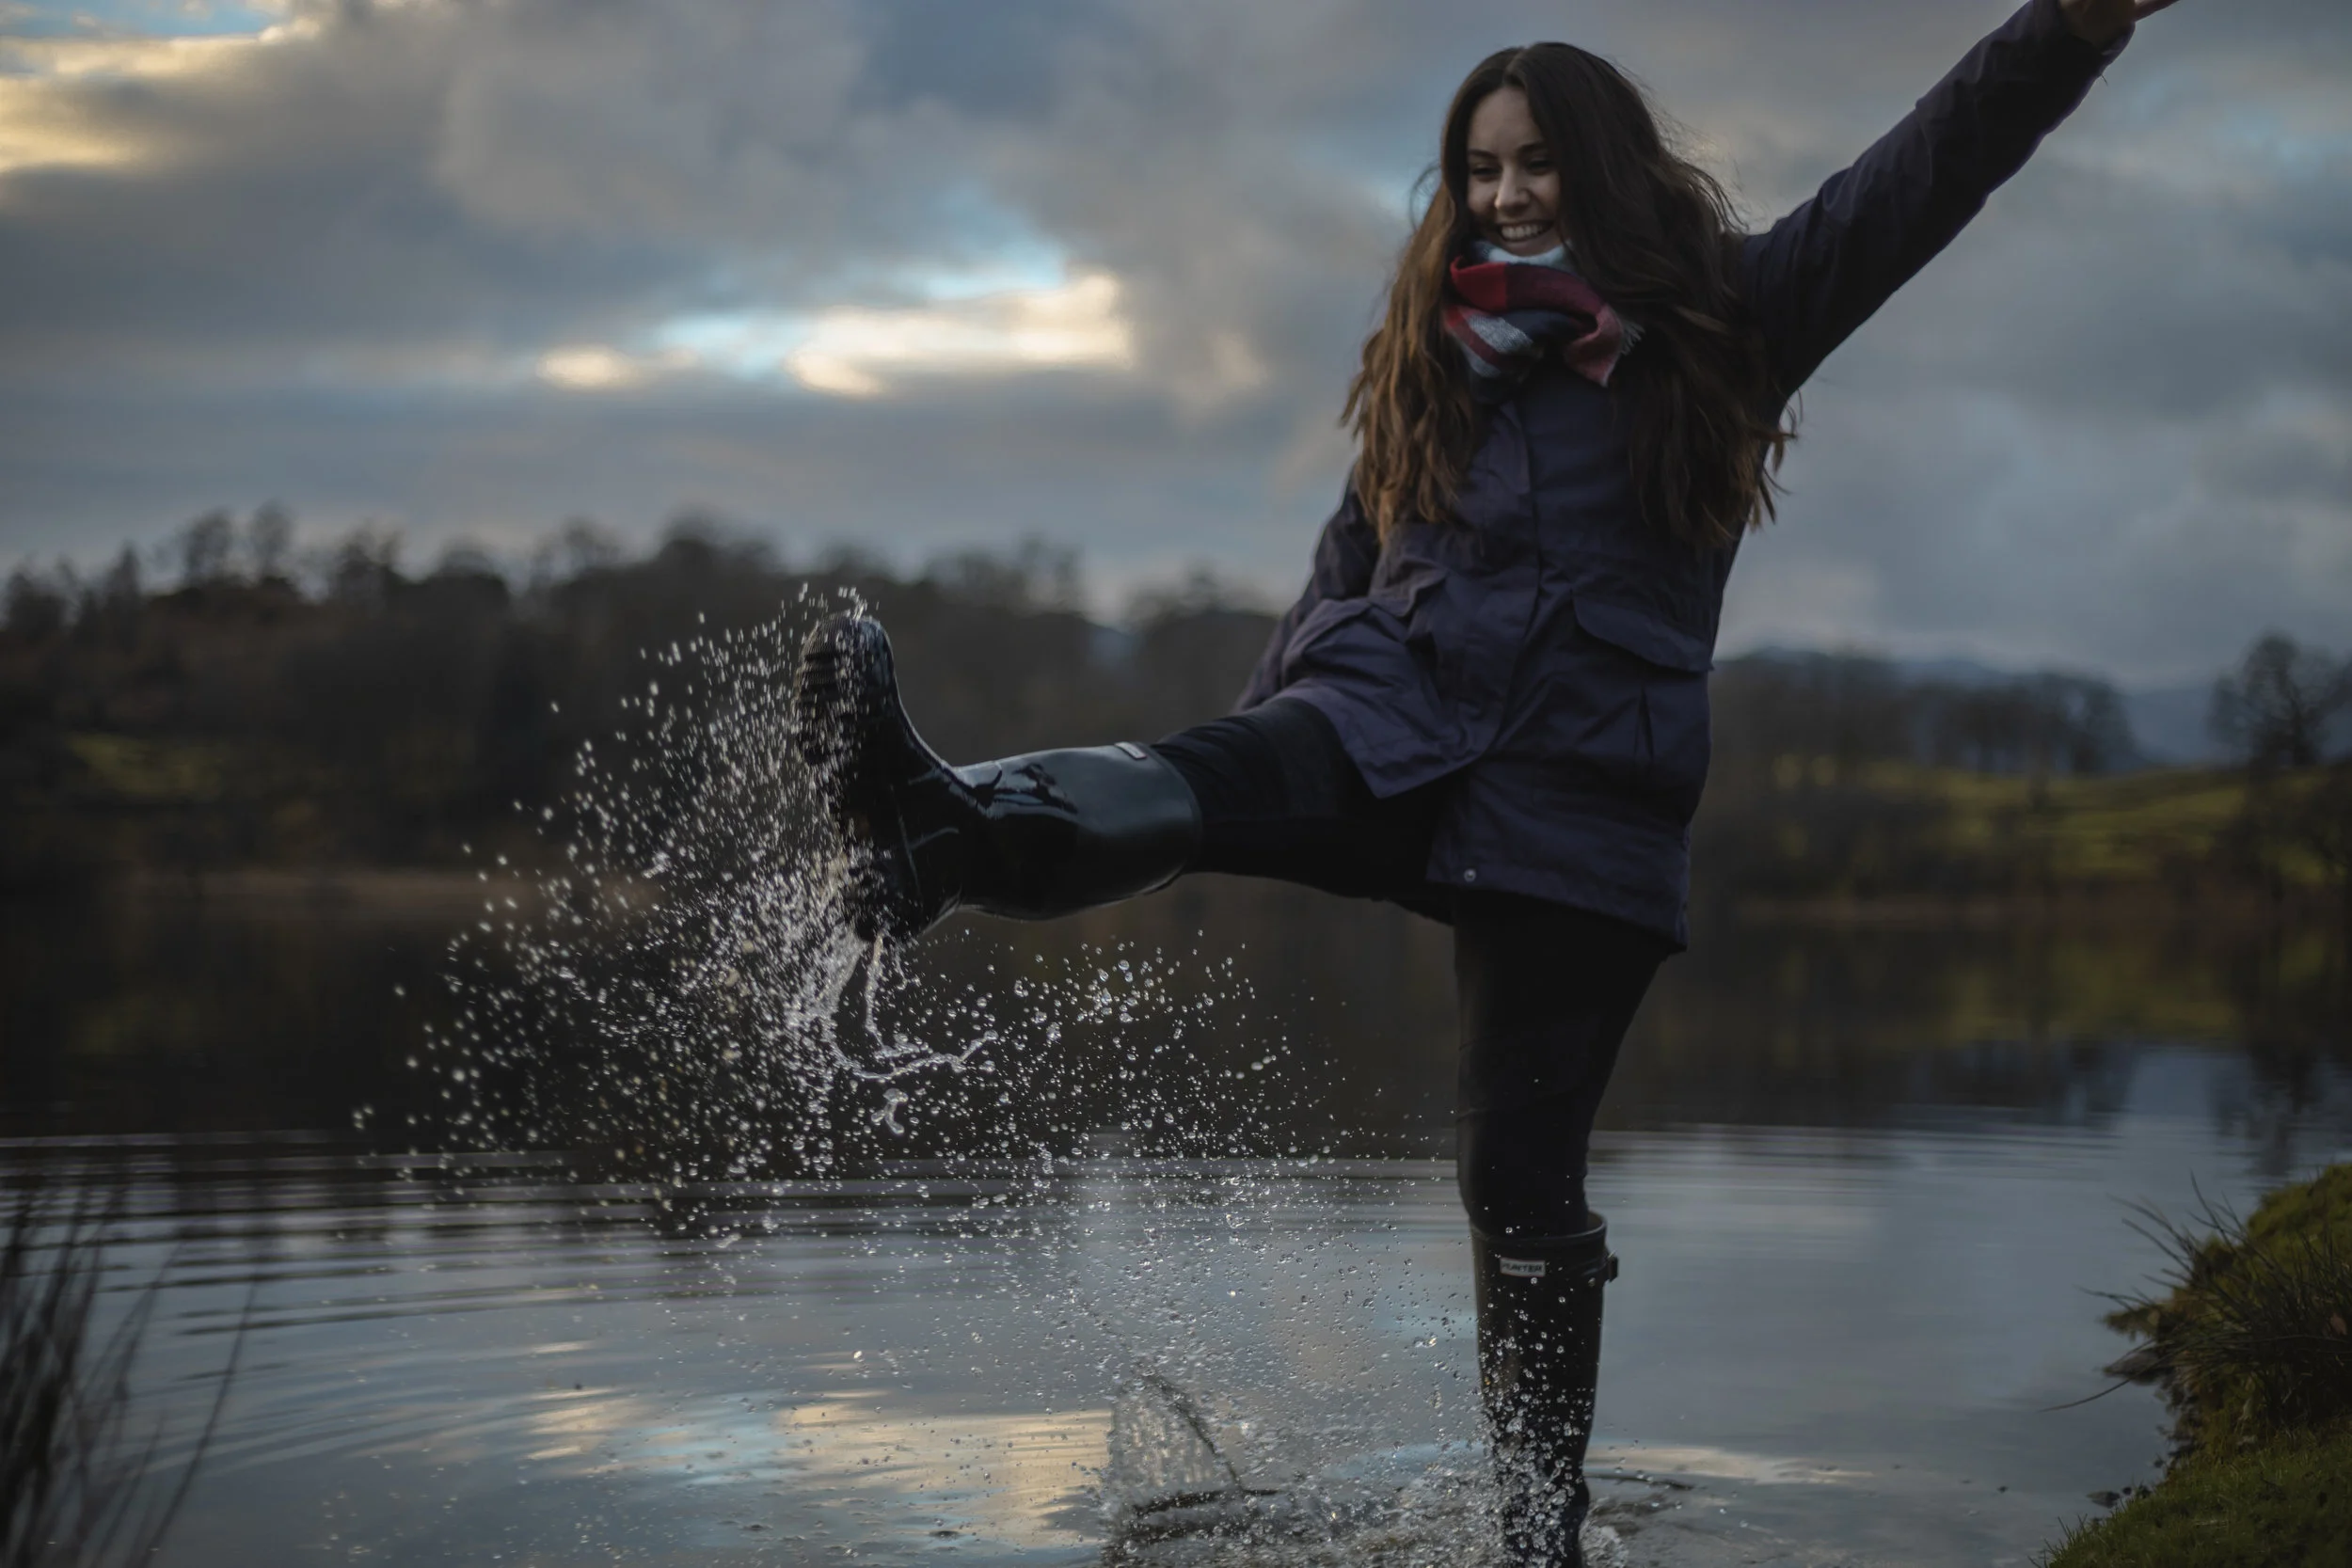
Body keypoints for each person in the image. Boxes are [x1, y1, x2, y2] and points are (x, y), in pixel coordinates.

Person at [792, 1, 2174, 1560]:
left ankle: (1538, 1532)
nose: (1508, 197)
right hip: (1392, 715)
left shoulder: (1734, 314)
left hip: (1584, 793)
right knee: (1193, 779)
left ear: (1603, 169)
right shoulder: (1428, 351)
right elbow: (1343, 559)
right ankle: (938, 835)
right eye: (1479, 170)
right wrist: (1277, 732)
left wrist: (2070, 27)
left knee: (1512, 1176)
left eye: (1536, 166)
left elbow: (1934, 170)